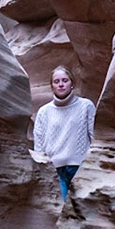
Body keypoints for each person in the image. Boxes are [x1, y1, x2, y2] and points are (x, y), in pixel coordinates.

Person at [31, 65, 96, 209]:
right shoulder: (44, 111)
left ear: (72, 83)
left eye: (65, 80)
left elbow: (94, 135)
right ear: (52, 86)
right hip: (53, 169)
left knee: (81, 212)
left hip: (78, 167)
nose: (61, 84)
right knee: (60, 211)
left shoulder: (86, 106)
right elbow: (39, 140)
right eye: (56, 81)